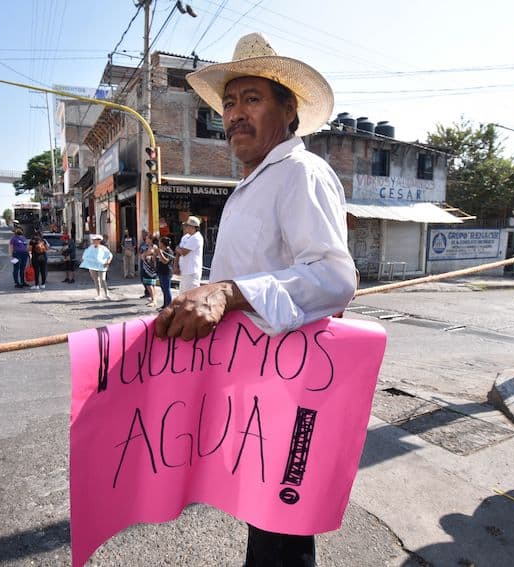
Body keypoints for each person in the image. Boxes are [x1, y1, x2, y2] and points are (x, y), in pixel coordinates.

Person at [154, 32, 357, 566]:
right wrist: (197, 301)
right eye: (228, 102)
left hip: (288, 385)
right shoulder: (253, 181)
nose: (235, 114)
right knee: (264, 521)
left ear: (288, 110)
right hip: (253, 380)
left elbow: (335, 278)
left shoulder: (299, 173)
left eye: (252, 99)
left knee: (280, 531)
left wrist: (226, 292)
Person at [175, 215, 204, 293]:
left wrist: (178, 249)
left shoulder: (197, 238)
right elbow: (178, 252)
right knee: (182, 294)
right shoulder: (185, 237)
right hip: (184, 270)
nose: (185, 227)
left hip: (192, 271)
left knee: (192, 295)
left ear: (193, 227)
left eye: (187, 225)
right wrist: (176, 266)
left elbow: (183, 252)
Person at [80, 234, 113, 300]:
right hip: (92, 266)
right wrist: (84, 260)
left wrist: (108, 262)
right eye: (93, 240)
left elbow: (110, 255)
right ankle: (99, 294)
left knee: (103, 280)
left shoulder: (103, 248)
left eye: (95, 240)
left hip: (101, 265)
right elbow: (85, 255)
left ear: (99, 241)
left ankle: (107, 294)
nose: (94, 241)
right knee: (96, 280)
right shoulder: (90, 248)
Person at [140, 235, 160, 308]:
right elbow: (142, 255)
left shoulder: (154, 247)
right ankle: (153, 299)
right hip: (146, 267)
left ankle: (154, 300)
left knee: (150, 284)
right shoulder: (146, 247)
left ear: (151, 239)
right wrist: (144, 255)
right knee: (149, 284)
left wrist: (146, 255)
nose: (146, 239)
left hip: (151, 268)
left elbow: (153, 255)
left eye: (147, 238)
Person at [156, 236, 175, 310]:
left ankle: (169, 306)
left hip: (166, 272)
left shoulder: (169, 251)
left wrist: (160, 253)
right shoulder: (161, 250)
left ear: (163, 243)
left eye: (160, 242)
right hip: (160, 271)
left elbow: (165, 261)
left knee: (167, 289)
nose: (158, 244)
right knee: (163, 289)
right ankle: (164, 305)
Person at [138, 228, 151, 299]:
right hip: (142, 262)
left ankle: (150, 293)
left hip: (148, 263)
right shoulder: (142, 243)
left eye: (144, 234)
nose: (143, 236)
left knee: (148, 277)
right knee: (142, 277)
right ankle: (146, 291)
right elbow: (139, 251)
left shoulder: (150, 244)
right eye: (142, 234)